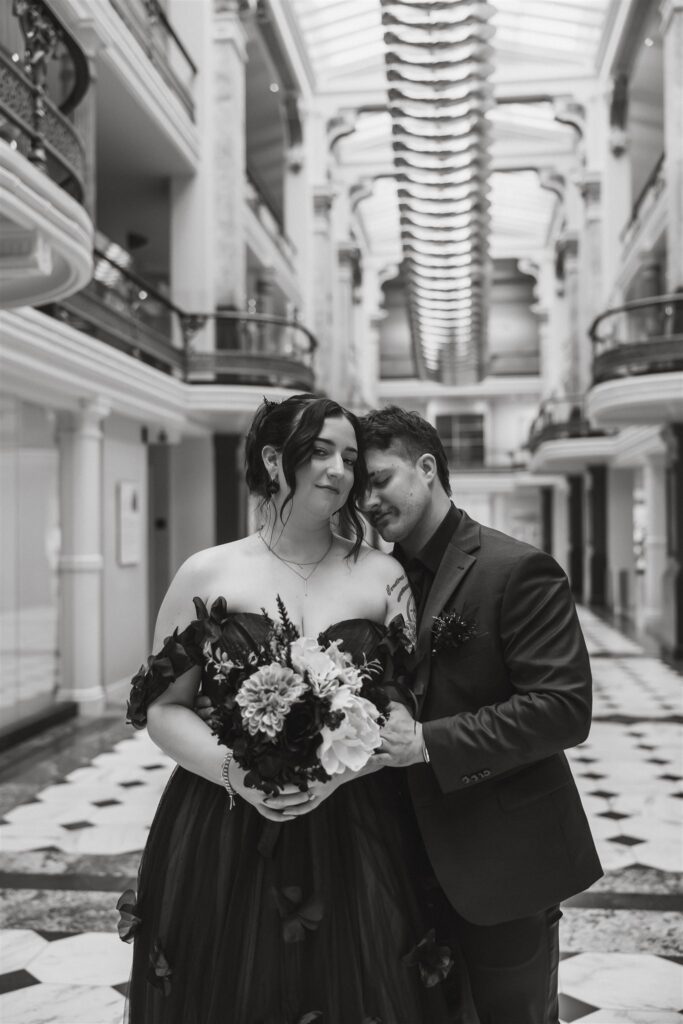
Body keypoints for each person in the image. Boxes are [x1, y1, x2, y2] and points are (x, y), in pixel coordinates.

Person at [123, 394, 475, 1024]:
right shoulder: (207, 572)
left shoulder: (384, 576)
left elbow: (407, 710)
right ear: (272, 459)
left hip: (358, 819)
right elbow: (164, 710)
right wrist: (240, 774)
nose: (340, 469)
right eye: (319, 452)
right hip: (225, 817)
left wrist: (339, 773)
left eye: (348, 456)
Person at [360, 405, 603, 1024]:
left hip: (502, 861)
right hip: (399, 862)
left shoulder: (516, 569)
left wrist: (428, 742)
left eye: (379, 479)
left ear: (426, 467)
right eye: (358, 487)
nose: (367, 500)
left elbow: (562, 709)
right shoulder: (373, 580)